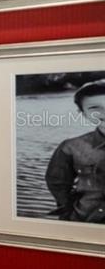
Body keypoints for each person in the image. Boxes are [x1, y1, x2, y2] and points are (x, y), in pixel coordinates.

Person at [44, 80, 105, 223]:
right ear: (83, 113)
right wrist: (69, 210)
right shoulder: (70, 147)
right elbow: (57, 182)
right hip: (85, 220)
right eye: (95, 108)